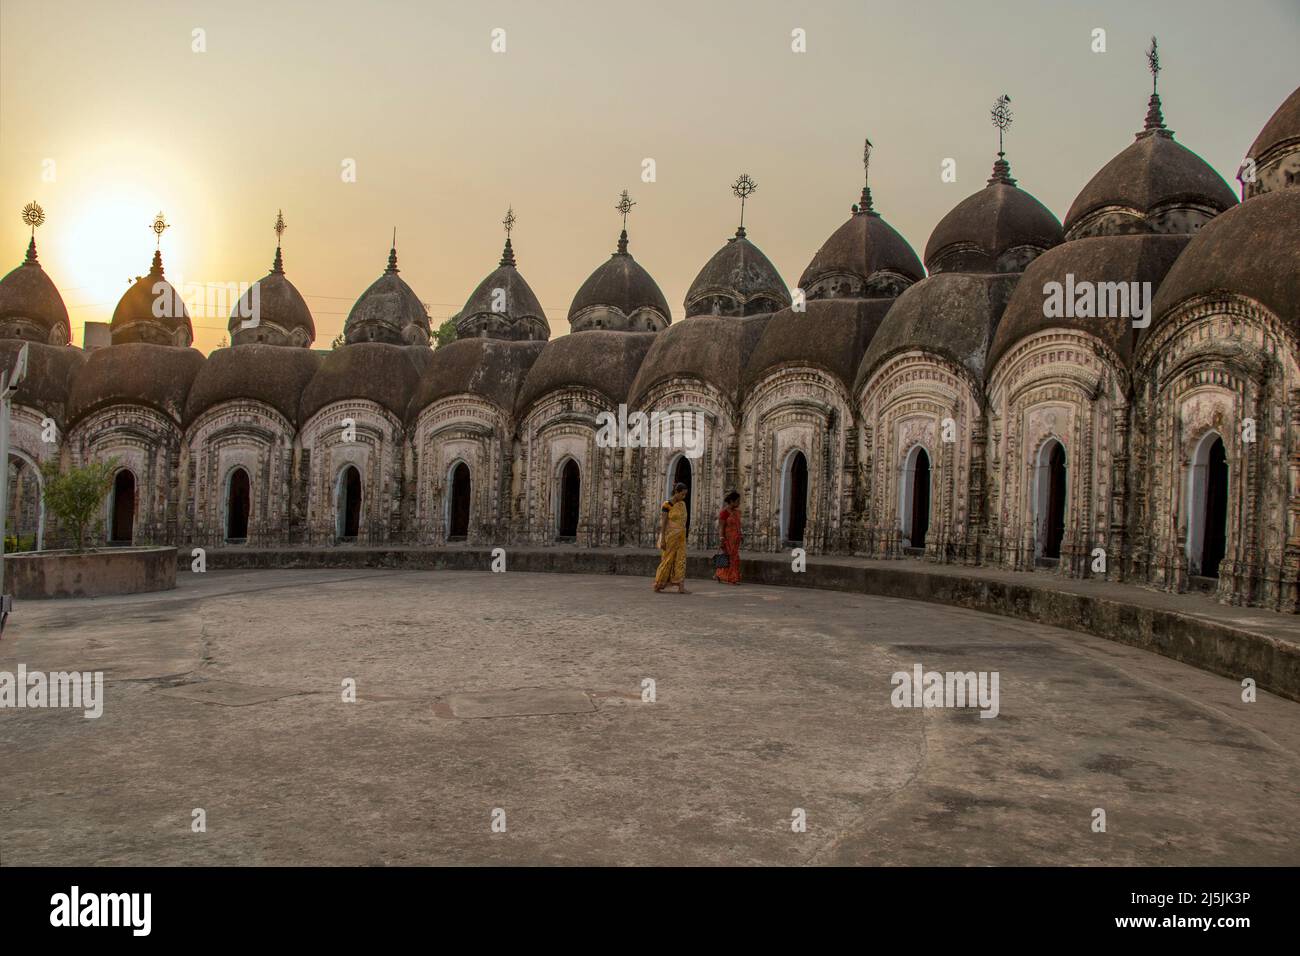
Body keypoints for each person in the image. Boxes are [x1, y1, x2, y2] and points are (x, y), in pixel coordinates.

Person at [654, 483, 690, 594]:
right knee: (667, 559)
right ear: (676, 492)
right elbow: (664, 523)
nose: (684, 497)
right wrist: (663, 538)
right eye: (682, 494)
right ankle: (659, 583)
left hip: (681, 537)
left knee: (681, 560)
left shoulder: (682, 504)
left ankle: (680, 585)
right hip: (670, 537)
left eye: (685, 495)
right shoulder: (667, 505)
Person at [715, 490, 742, 585]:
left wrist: (740, 535)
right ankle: (731, 578)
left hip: (735, 540)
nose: (739, 503)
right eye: (737, 501)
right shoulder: (724, 513)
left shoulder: (737, 512)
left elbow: (738, 525)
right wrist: (721, 538)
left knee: (734, 558)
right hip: (727, 539)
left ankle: (721, 575)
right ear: (731, 501)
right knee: (729, 558)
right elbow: (721, 527)